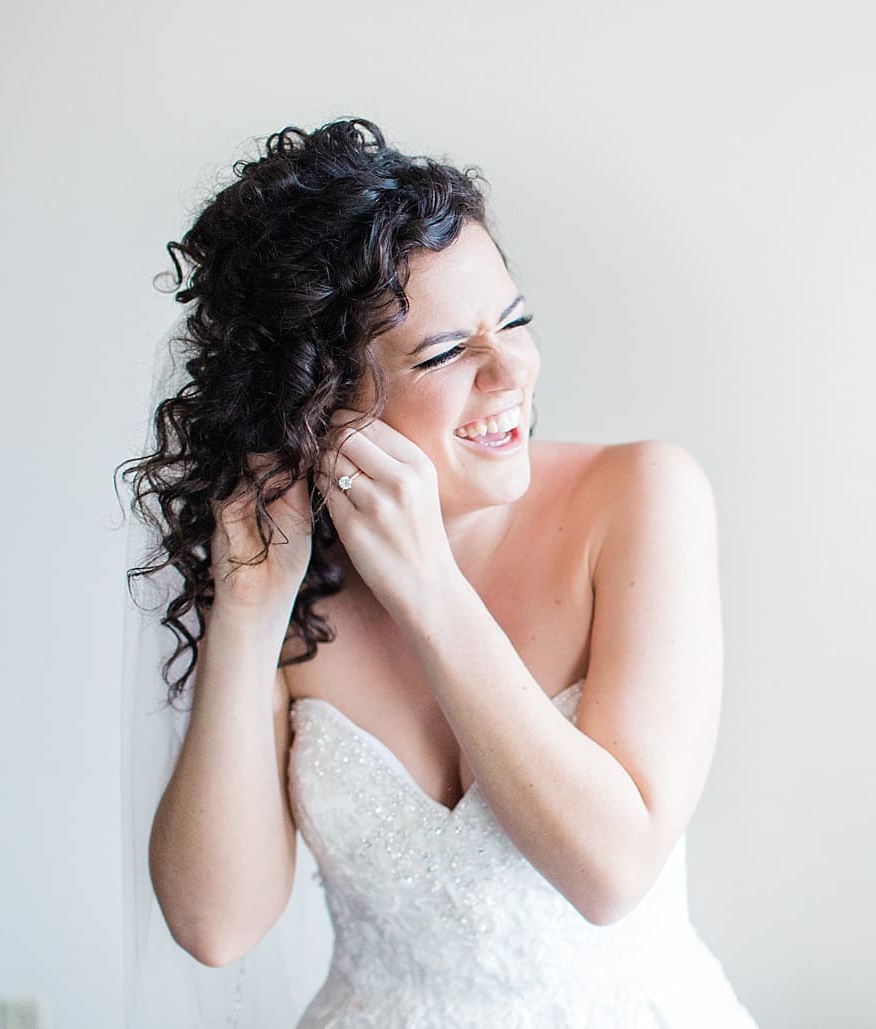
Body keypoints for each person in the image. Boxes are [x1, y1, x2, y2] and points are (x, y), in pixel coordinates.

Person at [118, 116, 760, 1027]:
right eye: (446, 352)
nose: (510, 373)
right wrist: (249, 614)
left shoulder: (643, 495)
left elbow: (611, 871)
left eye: (516, 322)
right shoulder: (298, 582)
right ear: (318, 400)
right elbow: (215, 924)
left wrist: (428, 589)